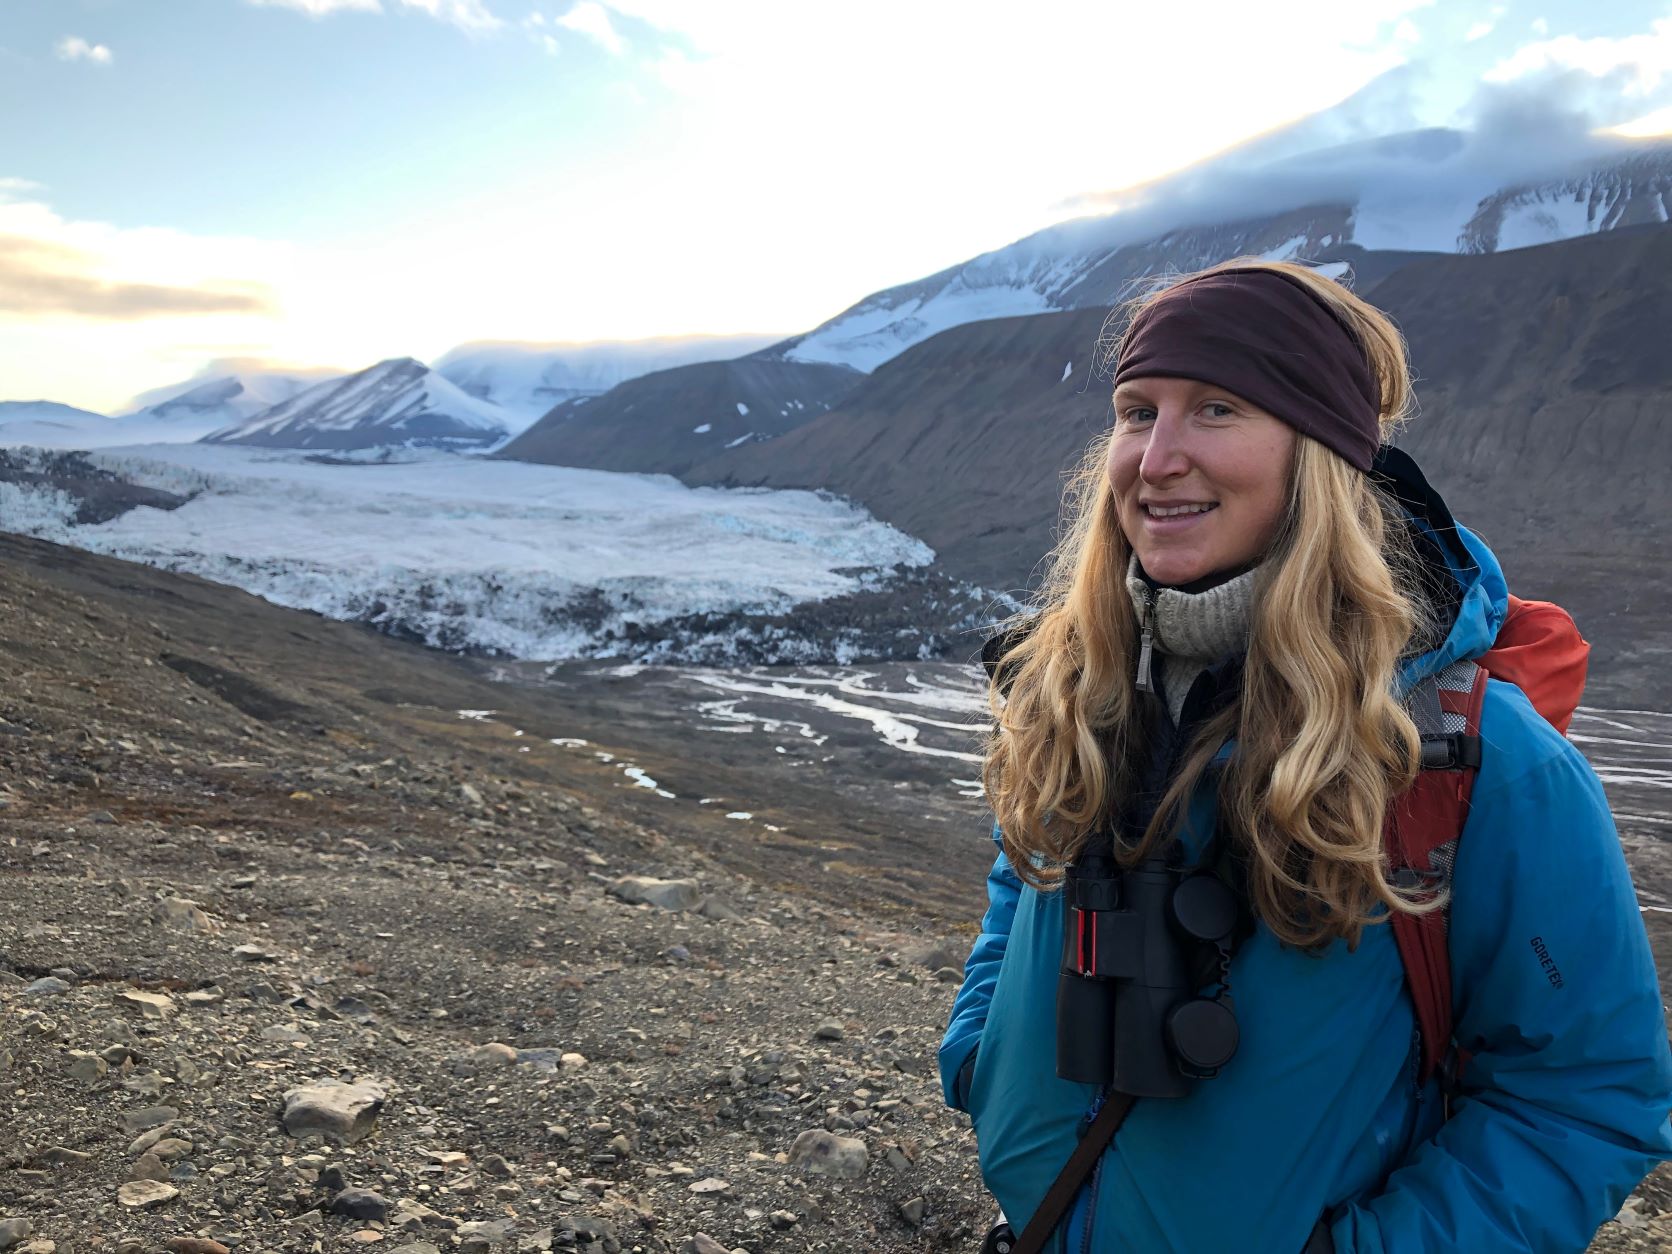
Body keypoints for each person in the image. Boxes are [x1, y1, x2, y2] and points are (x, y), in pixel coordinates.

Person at [938, 258, 1672, 1253]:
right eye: (1135, 410)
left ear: (1319, 454)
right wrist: (982, 1057)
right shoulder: (1077, 685)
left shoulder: (1477, 760)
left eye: (1216, 410)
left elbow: (1583, 1097)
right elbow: (1020, 873)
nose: (1156, 457)